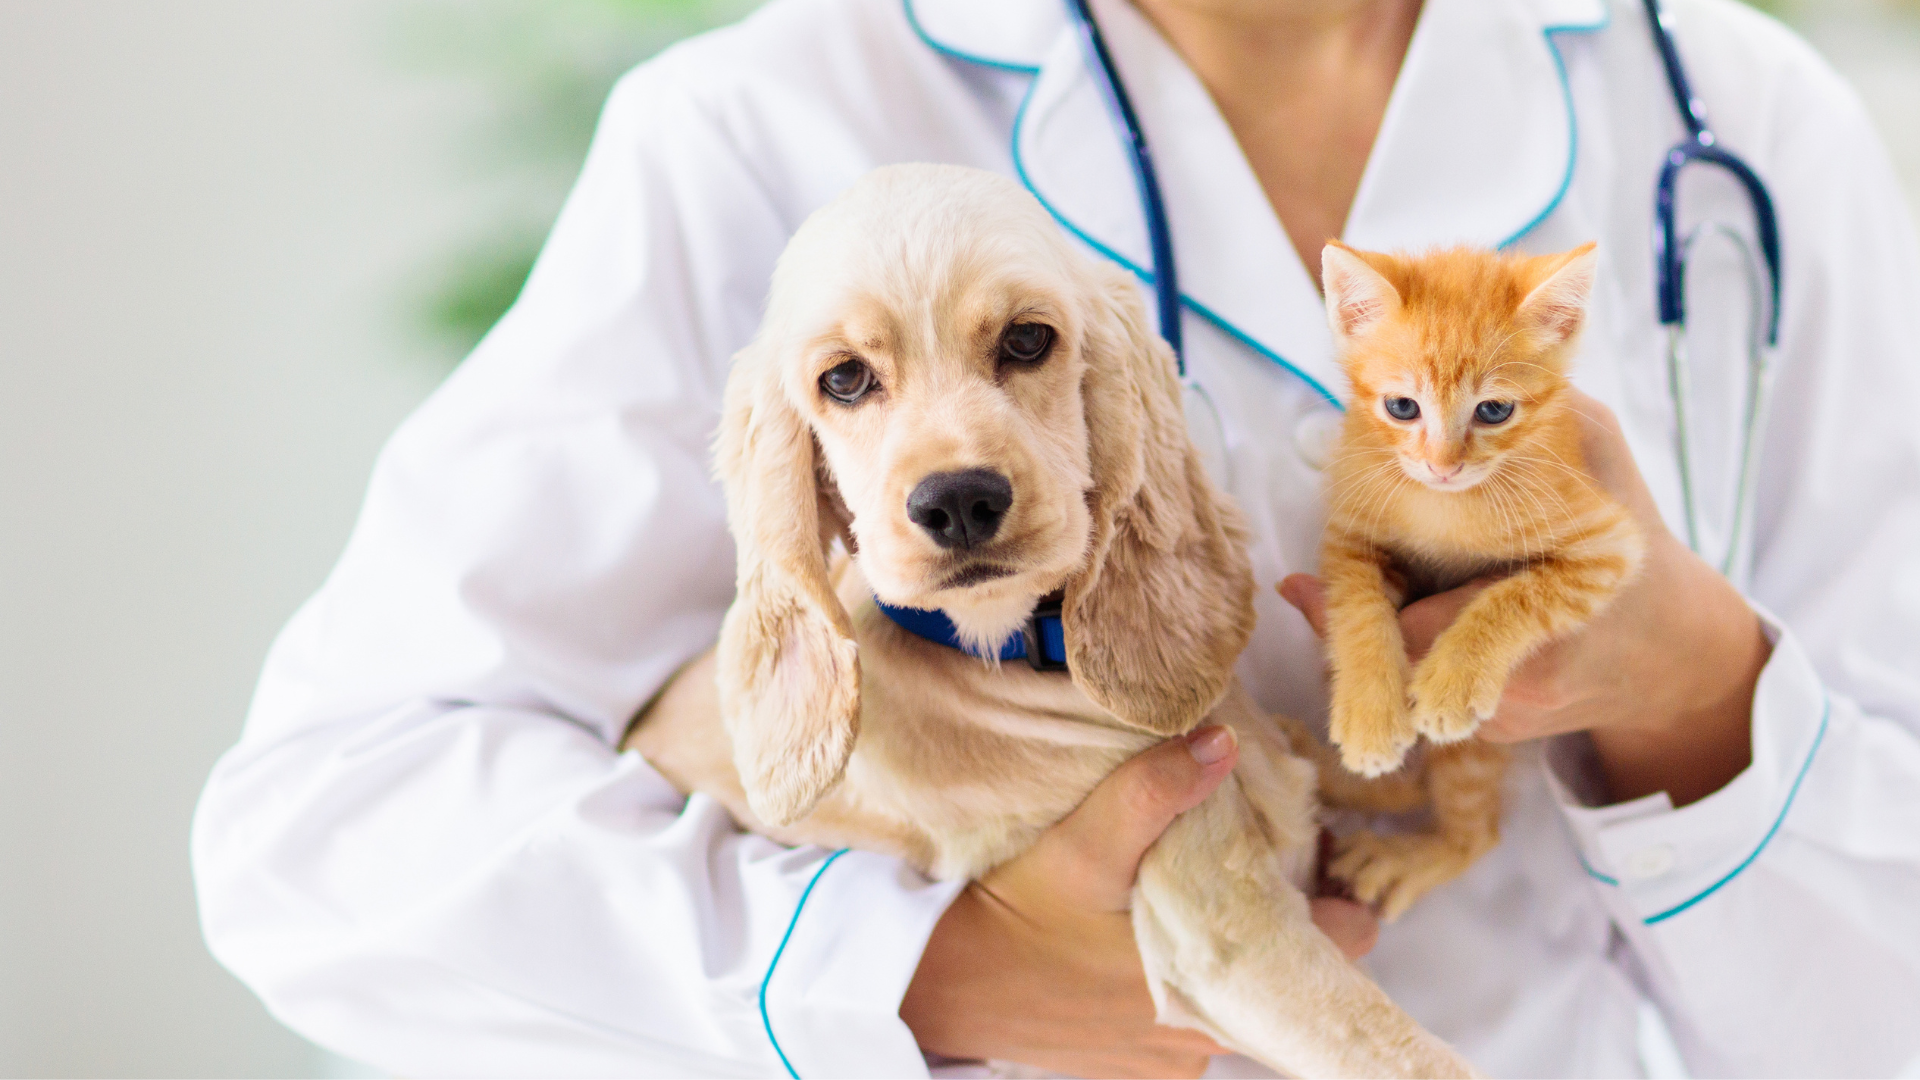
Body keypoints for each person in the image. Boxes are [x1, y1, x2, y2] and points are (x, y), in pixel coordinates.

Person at [191, 0, 1920, 1075]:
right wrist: (928, 977)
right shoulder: (756, 127)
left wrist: (1698, 683)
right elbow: (324, 849)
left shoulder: (1741, 130)